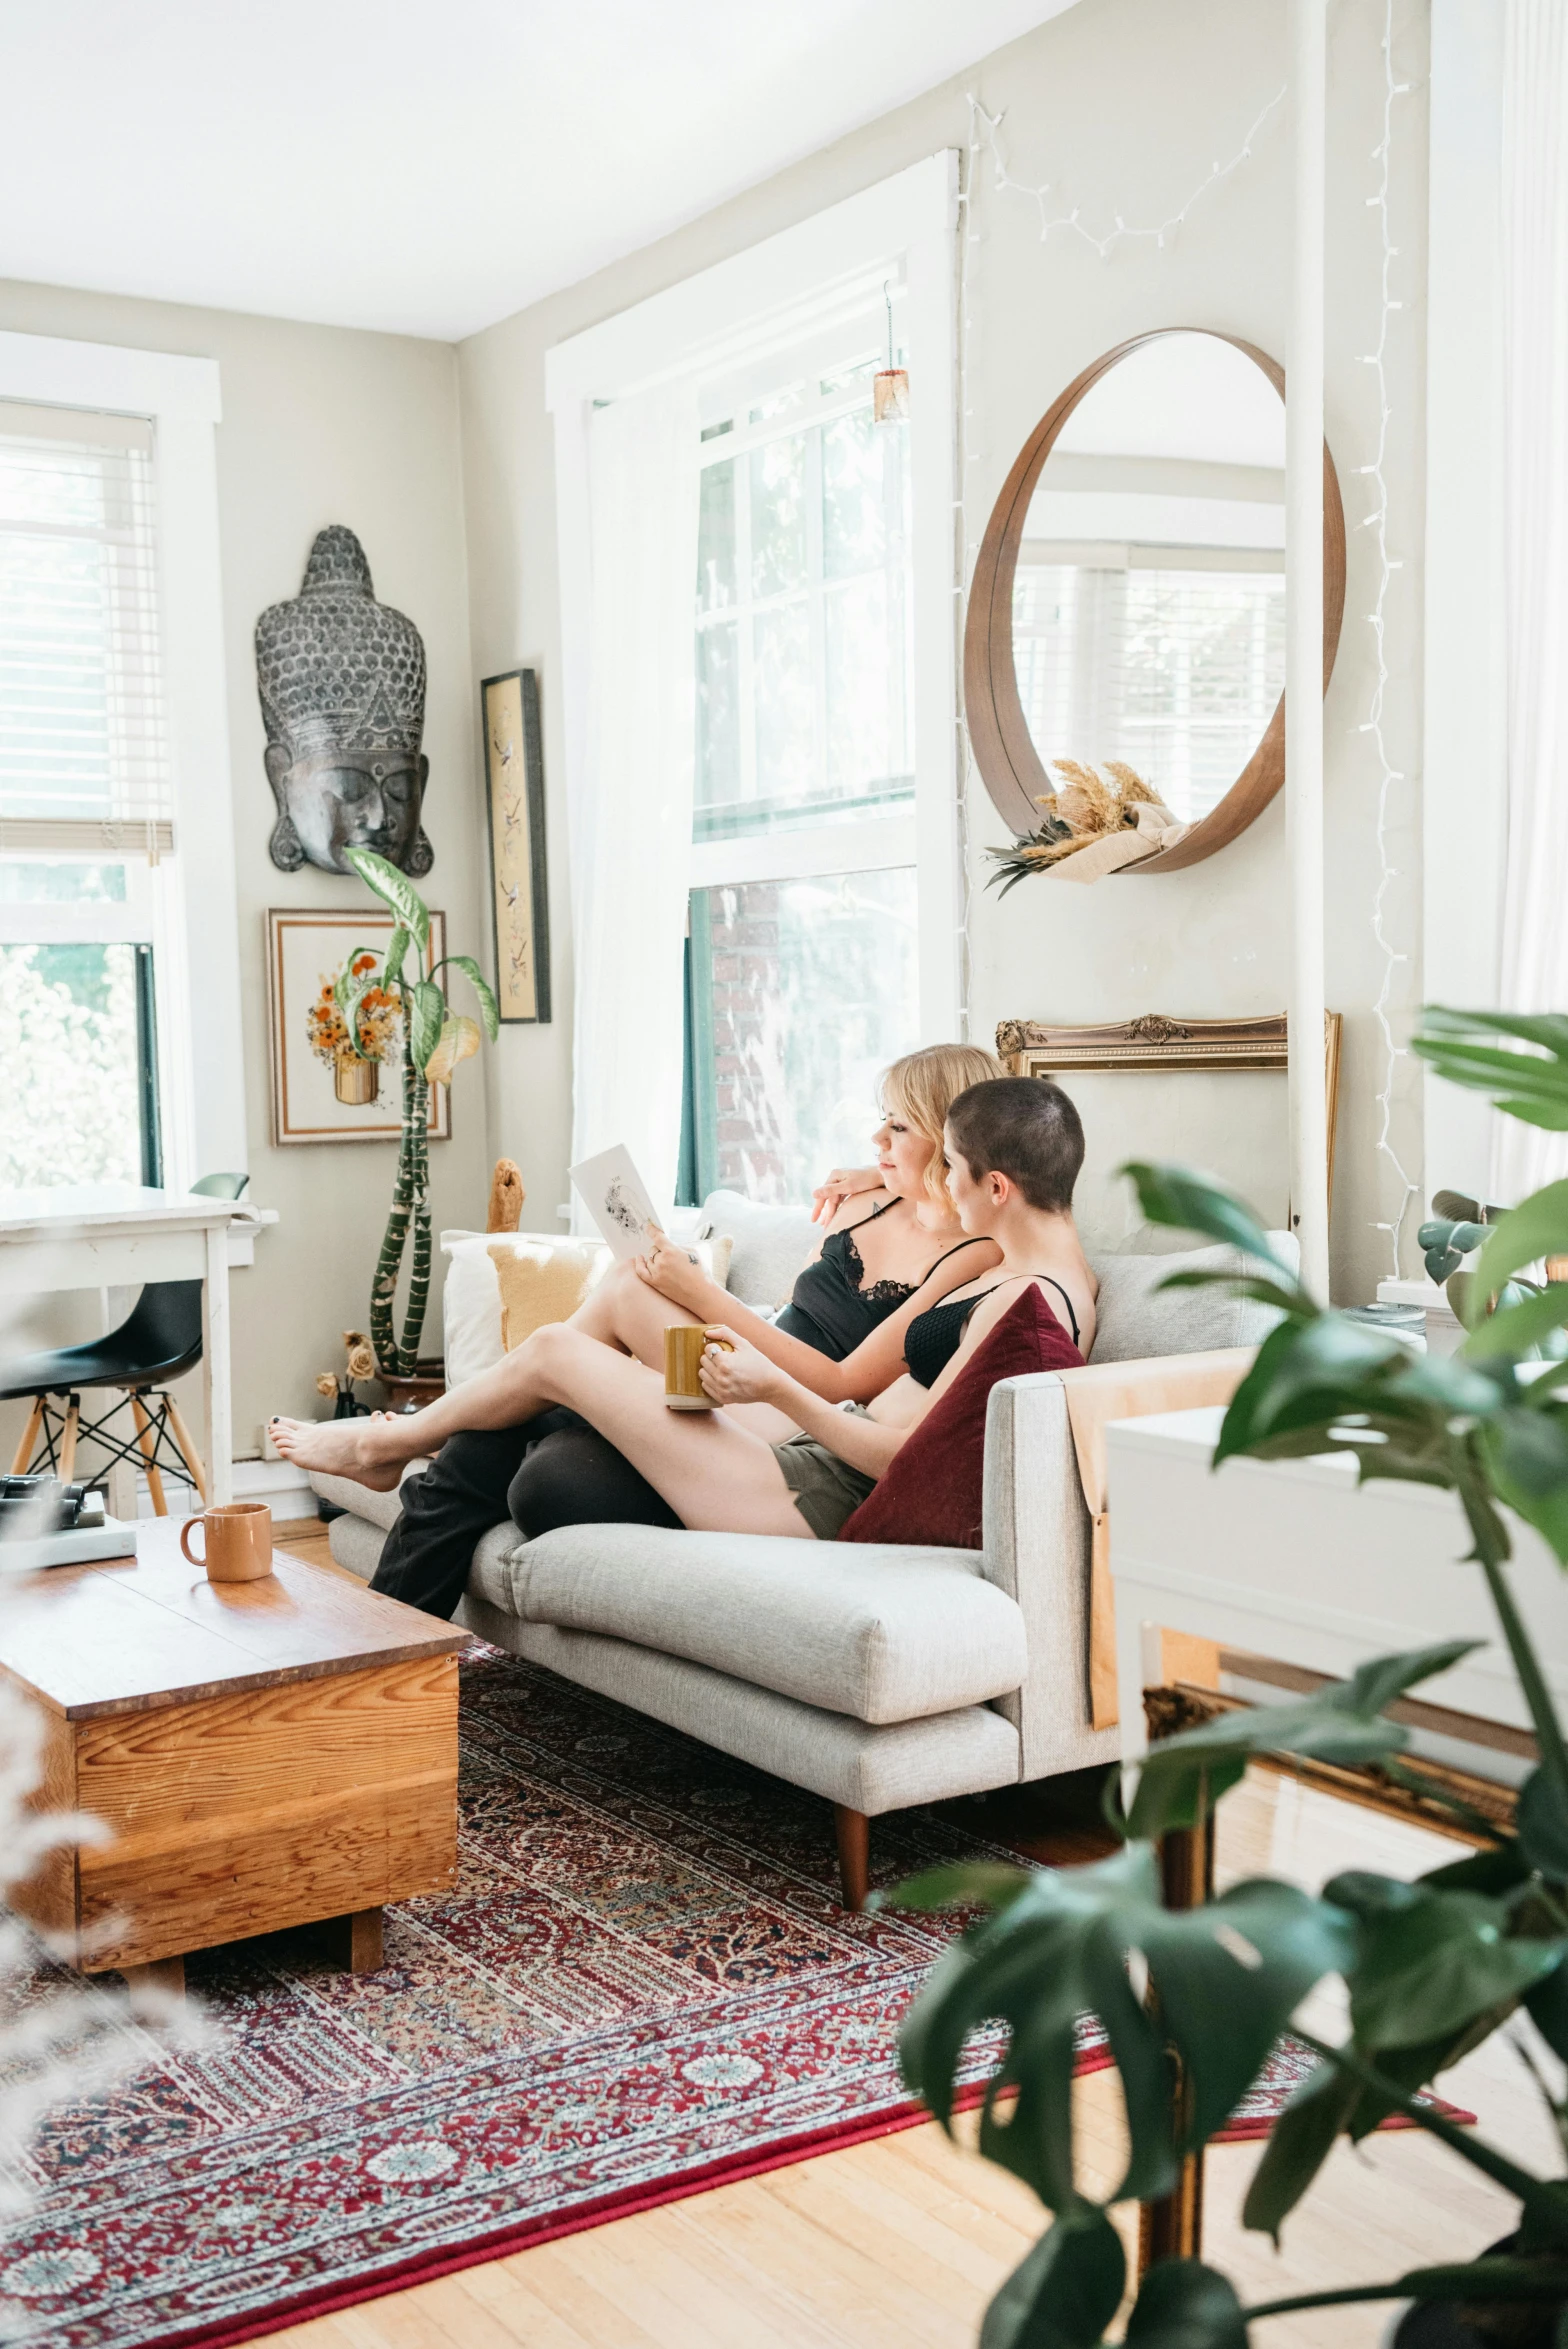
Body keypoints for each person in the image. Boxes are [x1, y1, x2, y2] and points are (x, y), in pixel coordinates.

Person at [279, 1043, 1004, 1615]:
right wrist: (874, 1173)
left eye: (898, 1125)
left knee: (542, 1395)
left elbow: (842, 1380)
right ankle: (398, 1561)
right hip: (731, 1369)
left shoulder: (974, 1250)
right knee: (623, 1287)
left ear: (947, 1138)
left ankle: (396, 1442)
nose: (877, 1137)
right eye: (879, 1119)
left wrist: (701, 1296)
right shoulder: (871, 1197)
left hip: (778, 1411)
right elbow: (803, 1297)